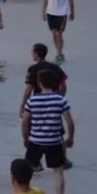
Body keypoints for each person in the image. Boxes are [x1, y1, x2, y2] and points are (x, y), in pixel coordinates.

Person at [22, 70, 75, 194]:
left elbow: (25, 122)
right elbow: (69, 122)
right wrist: (70, 138)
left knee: (27, 170)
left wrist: (25, 138)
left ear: (39, 83)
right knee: (57, 171)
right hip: (54, 141)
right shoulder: (60, 100)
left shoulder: (32, 101)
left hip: (35, 140)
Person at [20, 43, 72, 171]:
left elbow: (28, 90)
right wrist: (59, 98)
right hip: (53, 101)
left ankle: (35, 162)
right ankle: (63, 159)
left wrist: (22, 105)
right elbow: (63, 85)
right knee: (58, 131)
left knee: (34, 131)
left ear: (36, 54)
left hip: (37, 102)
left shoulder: (33, 69)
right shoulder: (55, 67)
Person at [42, 0, 74, 65]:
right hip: (51, 12)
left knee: (59, 33)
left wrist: (72, 12)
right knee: (53, 33)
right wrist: (43, 11)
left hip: (62, 13)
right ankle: (59, 51)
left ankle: (59, 54)